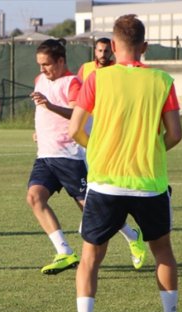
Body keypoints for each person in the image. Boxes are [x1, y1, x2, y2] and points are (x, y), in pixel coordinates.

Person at [68, 14, 182, 312]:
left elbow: (74, 129)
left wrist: (101, 148)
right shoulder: (162, 81)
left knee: (91, 256)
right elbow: (175, 134)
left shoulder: (97, 79)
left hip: (105, 182)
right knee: (162, 252)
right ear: (145, 46)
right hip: (149, 182)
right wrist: (152, 150)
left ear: (114, 45)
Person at [27, 39, 144, 275]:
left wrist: (50, 106)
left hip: (72, 156)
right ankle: (64, 252)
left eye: (47, 64)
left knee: (92, 210)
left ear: (61, 61)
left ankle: (133, 235)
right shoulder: (40, 80)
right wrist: (38, 129)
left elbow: (78, 113)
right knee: (34, 198)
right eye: (40, 64)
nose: (42, 69)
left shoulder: (73, 83)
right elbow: (42, 110)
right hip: (46, 155)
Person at [77, 37, 147, 269]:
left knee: (101, 199)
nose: (103, 53)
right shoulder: (86, 70)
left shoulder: (120, 72)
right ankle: (129, 234)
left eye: (107, 49)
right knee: (96, 199)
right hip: (88, 140)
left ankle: (126, 236)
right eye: (99, 49)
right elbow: (74, 102)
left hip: (113, 141)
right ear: (94, 51)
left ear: (113, 51)